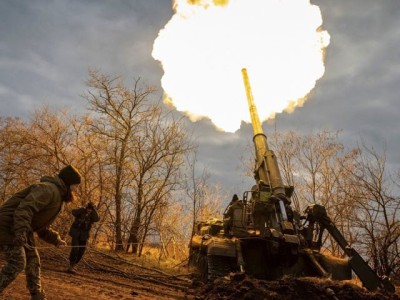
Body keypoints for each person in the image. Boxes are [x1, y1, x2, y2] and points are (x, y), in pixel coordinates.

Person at [0, 165, 82, 300]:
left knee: (33, 260)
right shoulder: (48, 189)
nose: (76, 189)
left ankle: (37, 296)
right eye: (75, 185)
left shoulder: (57, 195)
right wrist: (20, 232)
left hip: (22, 228)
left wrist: (56, 239)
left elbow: (41, 228)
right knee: (17, 263)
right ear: (68, 183)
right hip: (8, 226)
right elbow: (24, 209)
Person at [67, 202, 99, 274]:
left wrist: (94, 210)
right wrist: (83, 208)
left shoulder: (92, 216)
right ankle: (71, 265)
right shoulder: (81, 211)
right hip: (75, 233)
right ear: (86, 208)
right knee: (75, 249)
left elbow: (97, 219)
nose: (89, 210)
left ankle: (74, 265)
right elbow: (73, 212)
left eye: (91, 209)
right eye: (88, 208)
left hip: (84, 236)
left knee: (81, 251)